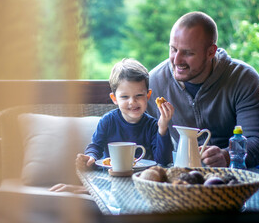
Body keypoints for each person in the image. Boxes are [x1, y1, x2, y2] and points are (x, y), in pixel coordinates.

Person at [146, 11, 259, 184]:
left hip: (239, 167)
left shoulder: (243, 77)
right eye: (173, 49)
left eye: (188, 53)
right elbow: (140, 133)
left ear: (211, 52)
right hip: (181, 169)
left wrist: (226, 156)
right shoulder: (155, 81)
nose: (176, 59)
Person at [50, 58, 174, 192]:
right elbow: (96, 146)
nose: (132, 102)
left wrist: (163, 127)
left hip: (140, 183)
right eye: (125, 97)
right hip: (109, 179)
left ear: (148, 95)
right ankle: (86, 190)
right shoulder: (107, 121)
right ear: (114, 98)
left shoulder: (153, 125)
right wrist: (91, 156)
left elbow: (163, 161)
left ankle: (86, 191)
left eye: (139, 95)